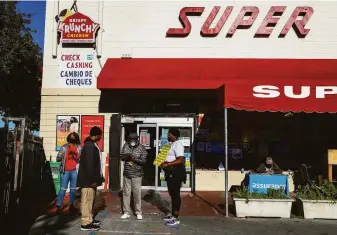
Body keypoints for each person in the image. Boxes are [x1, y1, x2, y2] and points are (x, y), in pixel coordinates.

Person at [76, 126, 104, 231]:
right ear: (96, 135)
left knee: (90, 200)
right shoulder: (89, 147)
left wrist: (99, 178)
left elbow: (96, 164)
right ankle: (85, 223)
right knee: (87, 201)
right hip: (88, 181)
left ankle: (90, 218)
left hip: (92, 180)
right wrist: (92, 180)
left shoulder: (92, 145)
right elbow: (89, 165)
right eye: (100, 135)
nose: (100, 137)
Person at [160, 128, 186, 226]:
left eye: (169, 134)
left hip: (176, 172)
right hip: (169, 172)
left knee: (175, 194)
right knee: (172, 193)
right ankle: (172, 215)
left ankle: (176, 217)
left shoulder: (178, 144)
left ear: (174, 135)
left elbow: (180, 160)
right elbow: (163, 157)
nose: (168, 135)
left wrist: (167, 164)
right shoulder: (169, 145)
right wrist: (160, 162)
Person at [120, 133, 148, 220]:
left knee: (137, 193)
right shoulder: (125, 145)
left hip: (137, 174)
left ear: (137, 140)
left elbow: (144, 161)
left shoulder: (142, 148)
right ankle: (126, 212)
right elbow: (121, 156)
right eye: (130, 140)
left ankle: (138, 212)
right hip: (127, 174)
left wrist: (134, 159)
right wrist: (126, 157)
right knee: (126, 193)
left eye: (133, 140)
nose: (132, 142)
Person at [56, 132, 81, 213]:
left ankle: (70, 206)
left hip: (74, 170)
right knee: (65, 189)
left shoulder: (79, 148)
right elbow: (58, 158)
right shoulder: (64, 147)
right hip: (65, 171)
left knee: (72, 189)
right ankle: (59, 206)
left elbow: (81, 158)